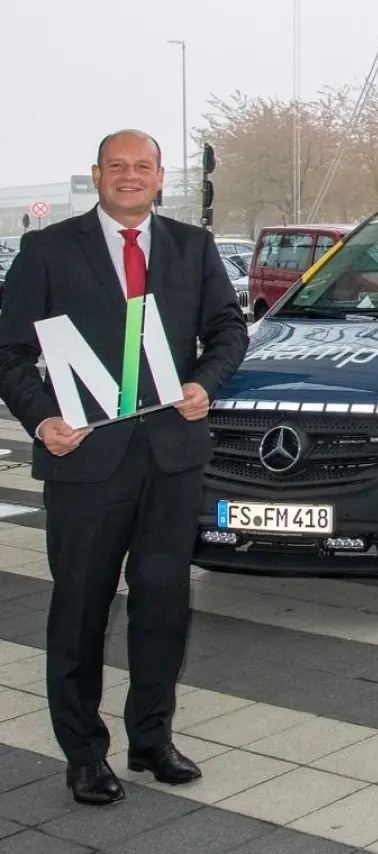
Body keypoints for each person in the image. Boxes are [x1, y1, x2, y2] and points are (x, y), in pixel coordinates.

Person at [0, 130, 248, 805]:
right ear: (98, 174)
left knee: (164, 605)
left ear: (161, 177)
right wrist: (41, 419)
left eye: (143, 167)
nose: (130, 177)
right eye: (118, 166)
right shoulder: (50, 250)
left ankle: (152, 739)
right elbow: (10, 350)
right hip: (85, 462)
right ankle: (83, 753)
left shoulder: (191, 248)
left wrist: (206, 381)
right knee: (79, 609)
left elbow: (229, 330)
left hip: (172, 458)